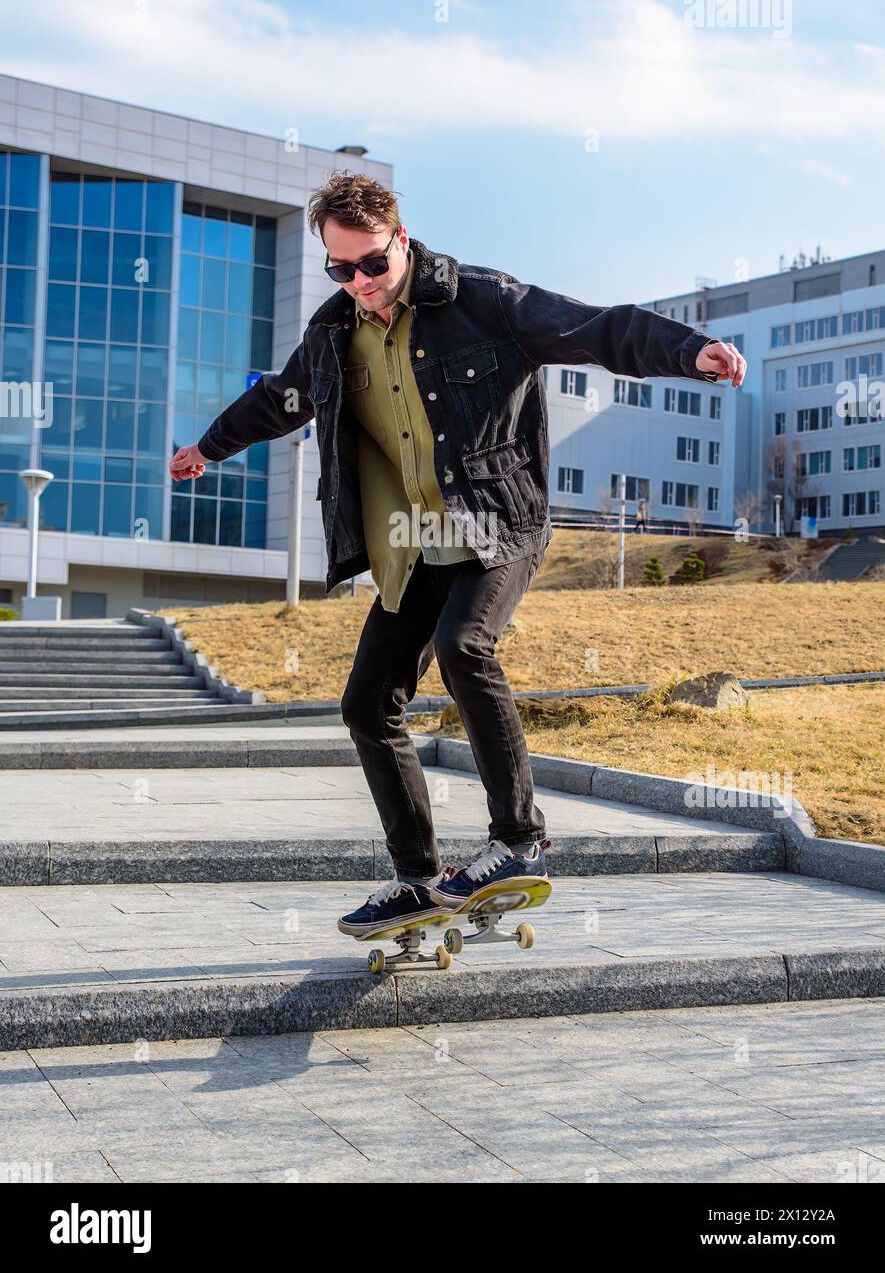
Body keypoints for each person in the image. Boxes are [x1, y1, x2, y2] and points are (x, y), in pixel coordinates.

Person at [169, 174, 747, 939]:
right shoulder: (333, 331)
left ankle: (519, 841)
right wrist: (208, 448)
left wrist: (690, 351)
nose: (360, 286)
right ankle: (416, 877)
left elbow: (596, 327)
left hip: (497, 521)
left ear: (401, 240)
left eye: (372, 264)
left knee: (463, 647)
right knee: (366, 704)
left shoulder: (484, 301)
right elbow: (281, 398)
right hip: (411, 545)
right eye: (341, 271)